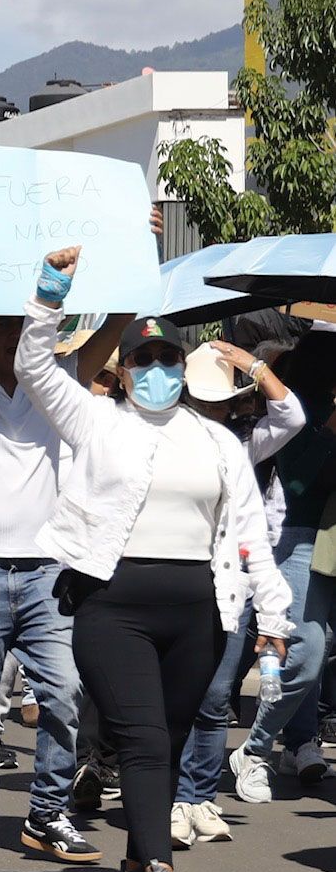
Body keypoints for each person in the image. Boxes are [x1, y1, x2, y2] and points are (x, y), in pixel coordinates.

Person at [14, 248, 291, 872]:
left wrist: (274, 622)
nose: (157, 372)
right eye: (144, 361)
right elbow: (31, 366)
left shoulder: (219, 441)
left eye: (168, 360)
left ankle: (134, 868)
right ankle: (160, 866)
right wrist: (50, 290)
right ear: (124, 369)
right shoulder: (94, 421)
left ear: (184, 368)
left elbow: (249, 534)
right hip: (113, 606)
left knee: (161, 740)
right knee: (141, 736)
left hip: (199, 612)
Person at [0, 202, 136, 866]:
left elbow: (108, 334)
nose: (13, 334)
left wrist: (128, 258)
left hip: (45, 569)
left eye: (22, 323)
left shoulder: (57, 382)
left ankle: (46, 815)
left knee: (64, 695)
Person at [175, 341, 304, 844]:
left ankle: (199, 797)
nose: (209, 410)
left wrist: (250, 364)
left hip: (235, 584)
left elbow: (290, 414)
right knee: (176, 699)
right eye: (199, 400)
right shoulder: (158, 440)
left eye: (218, 401)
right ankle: (169, 797)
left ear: (232, 403)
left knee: (213, 699)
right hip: (176, 580)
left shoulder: (244, 443)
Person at [225, 324, 336, 803]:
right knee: (306, 653)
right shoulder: (300, 419)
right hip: (302, 544)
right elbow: (298, 486)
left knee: (318, 651)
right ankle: (253, 749)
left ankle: (300, 740)